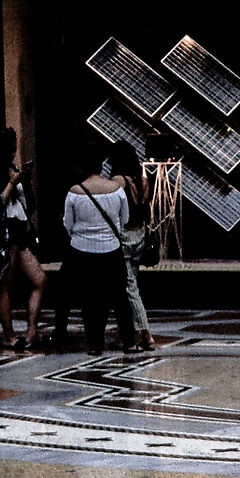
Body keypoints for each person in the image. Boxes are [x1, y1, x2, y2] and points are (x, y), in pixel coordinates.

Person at [60, 145, 132, 355]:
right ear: (101, 165)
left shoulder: (74, 192)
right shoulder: (116, 190)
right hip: (111, 248)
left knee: (90, 299)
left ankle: (94, 343)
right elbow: (124, 219)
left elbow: (68, 224)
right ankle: (129, 340)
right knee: (119, 296)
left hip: (82, 250)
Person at [0, 127, 44, 352]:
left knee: (39, 279)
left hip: (20, 229)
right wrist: (11, 183)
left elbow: (29, 204)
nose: (13, 152)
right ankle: (9, 335)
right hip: (3, 232)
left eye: (14, 147)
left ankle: (31, 330)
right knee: (4, 284)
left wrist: (24, 181)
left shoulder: (13, 169)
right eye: (9, 148)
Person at [106, 142, 155, 351]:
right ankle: (127, 332)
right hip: (140, 235)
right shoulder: (143, 180)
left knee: (129, 288)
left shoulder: (118, 182)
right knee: (132, 285)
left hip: (124, 236)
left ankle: (145, 333)